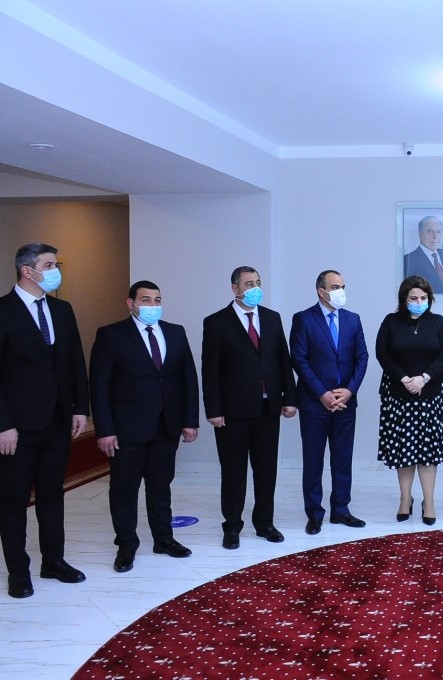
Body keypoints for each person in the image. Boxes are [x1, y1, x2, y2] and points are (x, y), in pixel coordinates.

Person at [90, 280, 199, 573]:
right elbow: (99, 387)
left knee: (160, 486)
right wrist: (105, 429)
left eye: (157, 300)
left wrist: (190, 421)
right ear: (131, 304)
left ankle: (164, 539)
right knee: (124, 488)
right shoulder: (111, 335)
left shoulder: (175, 332)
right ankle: (126, 545)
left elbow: (188, 379)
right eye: (146, 300)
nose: (153, 305)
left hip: (166, 425)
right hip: (127, 428)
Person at [0, 244, 89, 598]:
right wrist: (3, 424)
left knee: (53, 494)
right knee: (13, 500)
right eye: (49, 265)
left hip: (57, 420)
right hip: (17, 426)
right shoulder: (3, 311)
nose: (55, 270)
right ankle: (18, 572)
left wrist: (81, 407)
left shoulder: (62, 310)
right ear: (27, 271)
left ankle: (53, 561)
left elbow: (75, 361)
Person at [202, 266, 297, 549]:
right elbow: (210, 371)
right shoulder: (216, 322)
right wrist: (213, 410)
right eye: (248, 284)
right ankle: (232, 526)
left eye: (258, 283)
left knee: (266, 470)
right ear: (235, 288)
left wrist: (290, 399)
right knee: (234, 472)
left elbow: (283, 361)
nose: (255, 288)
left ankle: (265, 523)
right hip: (232, 413)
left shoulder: (272, 318)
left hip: (269, 408)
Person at [290, 270, 369, 535]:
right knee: (313, 460)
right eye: (335, 287)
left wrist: (349, 390)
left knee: (342, 459)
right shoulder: (303, 319)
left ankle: (341, 510)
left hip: (345, 403)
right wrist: (322, 393)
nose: (341, 291)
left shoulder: (353, 319)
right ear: (321, 291)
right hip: (315, 404)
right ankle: (314, 514)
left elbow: (362, 357)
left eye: (343, 286)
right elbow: (299, 359)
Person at [375, 275, 443, 525]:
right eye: (413, 298)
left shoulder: (437, 322)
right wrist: (404, 378)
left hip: (431, 396)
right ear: (404, 299)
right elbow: (382, 353)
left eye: (423, 298)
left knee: (428, 453)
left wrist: (424, 378)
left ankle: (429, 501)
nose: (419, 302)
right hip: (399, 396)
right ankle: (405, 498)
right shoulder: (391, 321)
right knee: (404, 451)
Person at [403, 216, 443, 294]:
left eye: (438, 231)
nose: (435, 236)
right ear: (420, 234)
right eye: (430, 231)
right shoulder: (408, 260)